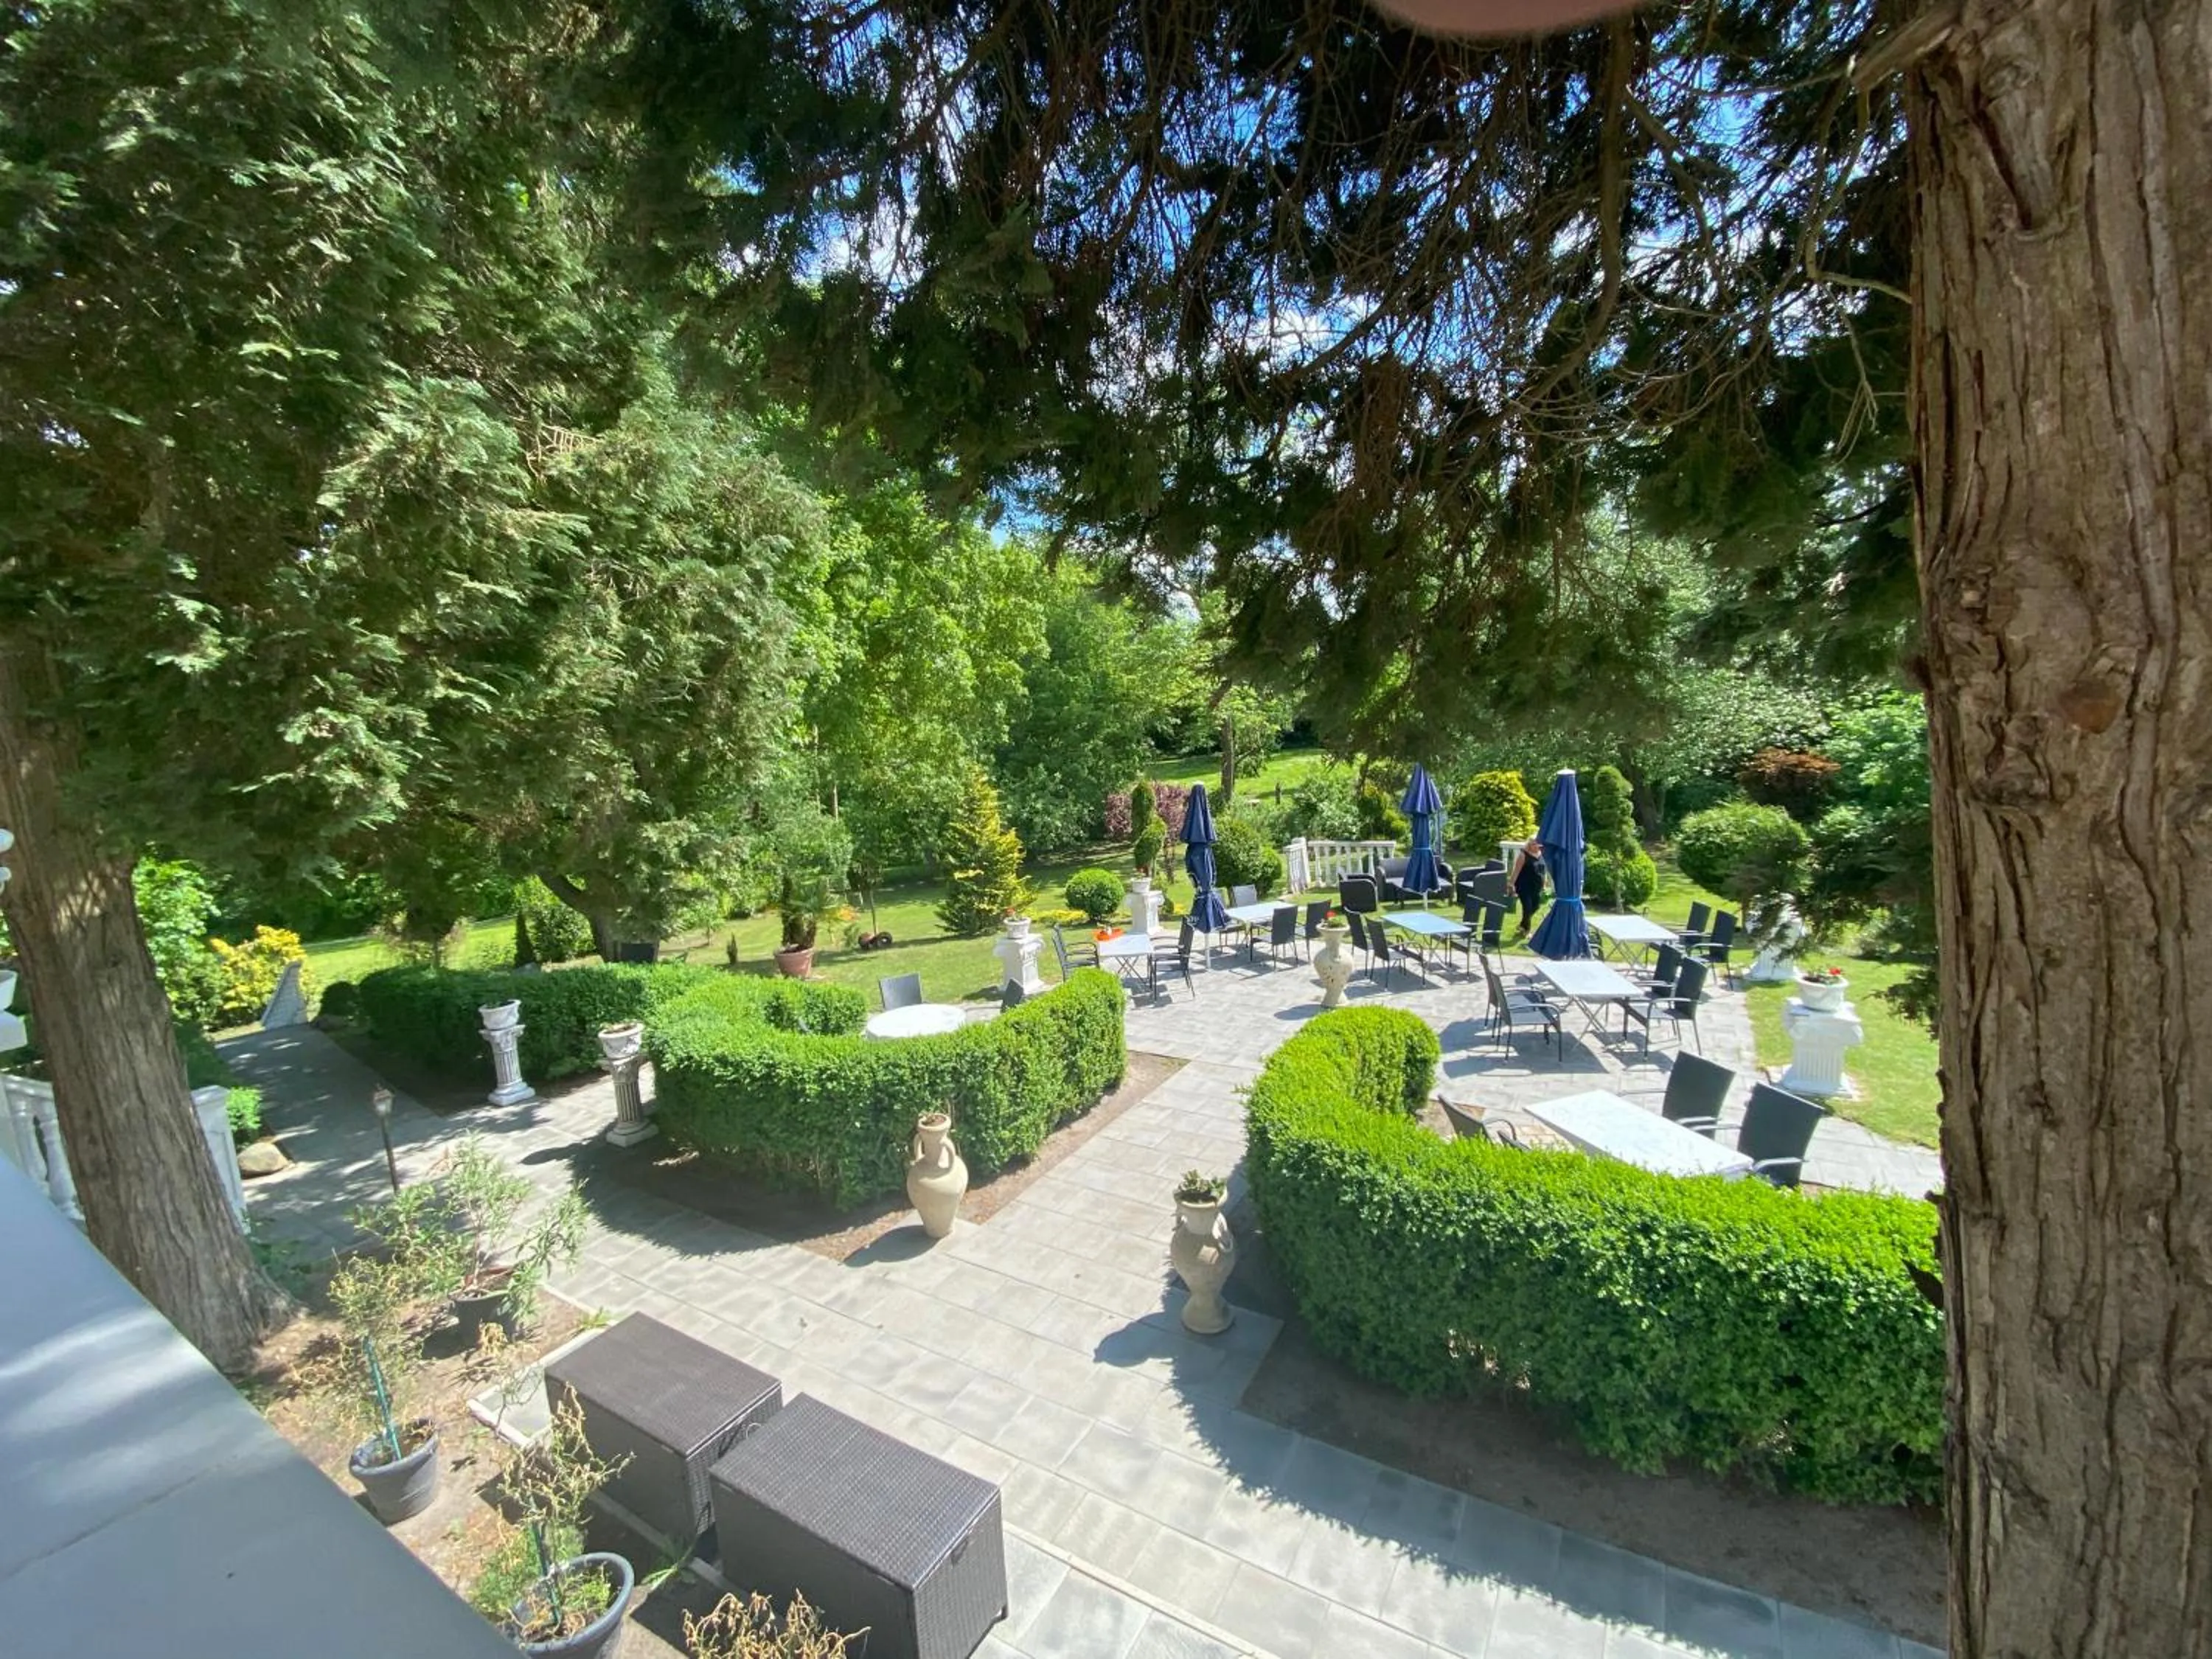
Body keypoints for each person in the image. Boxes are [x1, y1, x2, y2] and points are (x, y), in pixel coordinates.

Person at [1509, 837, 1545, 937]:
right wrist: (1511, 884)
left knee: (1536, 906)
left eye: (1538, 844)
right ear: (1529, 845)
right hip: (1524, 887)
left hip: (1536, 887)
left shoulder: (1541, 854)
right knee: (1528, 908)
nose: (1536, 846)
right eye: (1534, 844)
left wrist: (1544, 884)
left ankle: (1522, 925)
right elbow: (1516, 871)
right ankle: (1527, 931)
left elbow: (1543, 870)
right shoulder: (1523, 855)